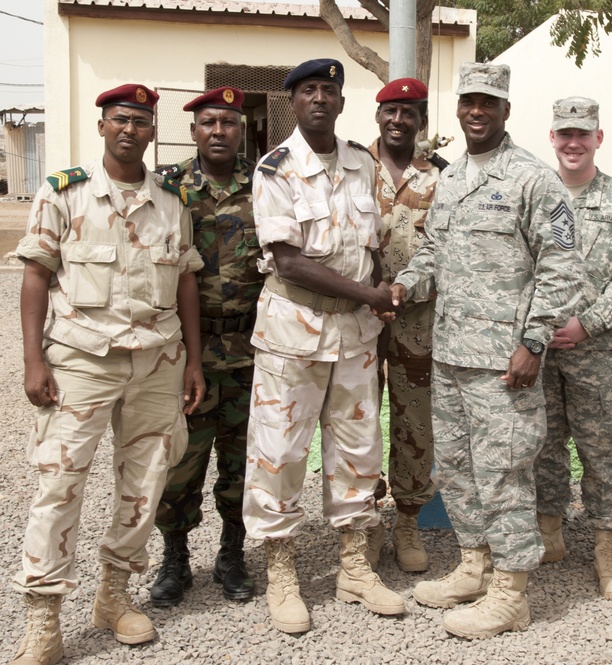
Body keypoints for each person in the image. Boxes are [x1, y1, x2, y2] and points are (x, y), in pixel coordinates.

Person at [10, 83, 205, 663]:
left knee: (145, 483)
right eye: (120, 120)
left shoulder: (172, 201)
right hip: (81, 360)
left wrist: (194, 360)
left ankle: (114, 596)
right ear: (102, 127)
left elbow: (187, 280)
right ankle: (43, 619)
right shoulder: (63, 193)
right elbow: (36, 274)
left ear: (151, 131)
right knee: (58, 484)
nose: (130, 130)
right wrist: (32, 359)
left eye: (141, 122)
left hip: (157, 362)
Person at [390, 63, 581, 639]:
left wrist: (532, 342)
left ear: (505, 111)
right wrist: (403, 286)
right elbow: (434, 257)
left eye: (488, 103)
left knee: (504, 473)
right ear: (459, 109)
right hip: (449, 355)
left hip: (504, 363)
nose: (477, 110)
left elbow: (561, 269)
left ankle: (511, 593)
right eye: (469, 100)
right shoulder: (449, 180)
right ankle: (474, 565)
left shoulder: (533, 179)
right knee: (457, 469)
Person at [243, 58, 405, 635]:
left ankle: (354, 567)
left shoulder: (363, 163)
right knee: (280, 452)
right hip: (294, 332)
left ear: (341, 101)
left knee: (359, 449)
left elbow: (374, 246)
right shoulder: (276, 168)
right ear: (293, 102)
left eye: (328, 90)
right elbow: (288, 261)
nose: (318, 98)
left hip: (357, 335)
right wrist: (371, 292)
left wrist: (378, 293)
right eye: (308, 90)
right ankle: (281, 572)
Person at [533, 97, 612, 602]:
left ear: (598, 139)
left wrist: (590, 323)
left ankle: (609, 548)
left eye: (582, 134)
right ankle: (549, 531)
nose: (573, 143)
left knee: (601, 451)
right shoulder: (536, 196)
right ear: (553, 138)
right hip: (541, 349)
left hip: (600, 353)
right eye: (564, 134)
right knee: (543, 445)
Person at [149, 87, 262, 607]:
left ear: (242, 130)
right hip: (186, 351)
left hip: (250, 352)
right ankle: (175, 559)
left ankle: (232, 555)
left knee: (241, 464)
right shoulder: (167, 189)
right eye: (209, 122)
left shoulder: (264, 184)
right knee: (180, 463)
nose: (219, 131)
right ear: (193, 129)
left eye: (230, 123)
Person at [365, 77, 448, 573]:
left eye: (409, 112)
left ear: (421, 121)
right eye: (391, 110)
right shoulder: (351, 168)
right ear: (378, 115)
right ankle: (365, 521)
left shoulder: (442, 178)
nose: (399, 120)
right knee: (355, 421)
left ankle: (408, 522)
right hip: (358, 322)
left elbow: (448, 252)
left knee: (416, 425)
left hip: (419, 323)